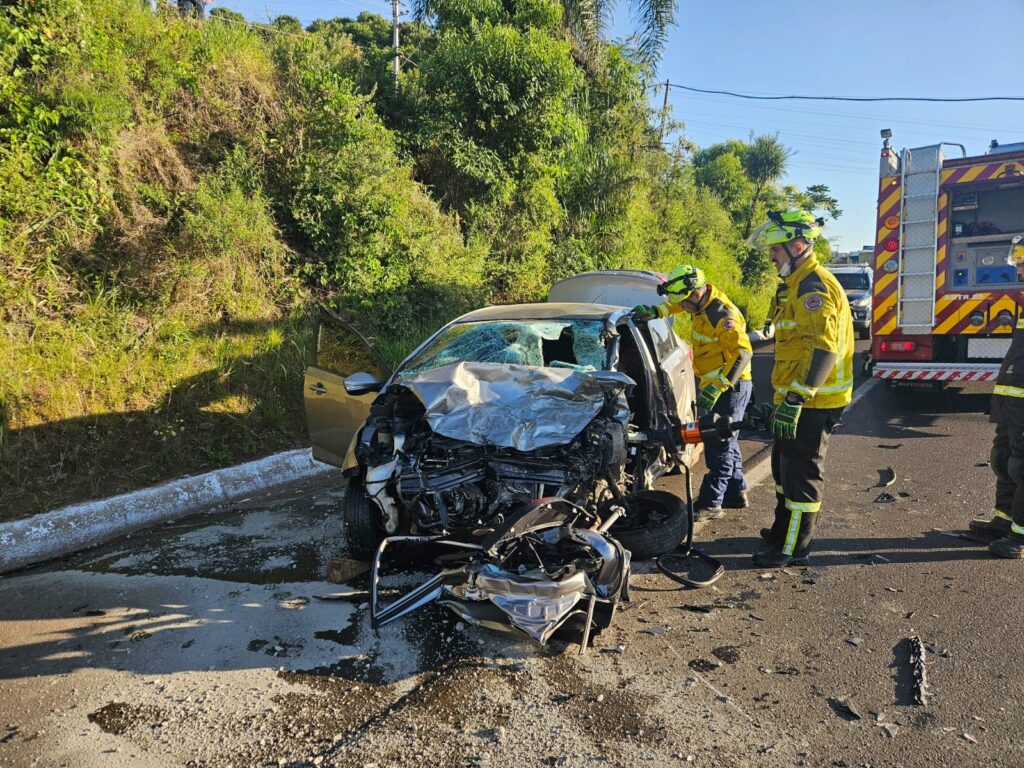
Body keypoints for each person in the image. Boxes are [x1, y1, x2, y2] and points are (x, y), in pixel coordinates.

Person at [747, 210, 854, 567]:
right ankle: (781, 531)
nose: (771, 257)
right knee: (782, 469)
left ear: (797, 246)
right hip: (797, 399)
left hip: (813, 402)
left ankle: (792, 548)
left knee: (801, 476)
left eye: (775, 250)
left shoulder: (814, 287)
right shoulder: (796, 284)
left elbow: (825, 349)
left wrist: (795, 399)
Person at [632, 265, 754, 519]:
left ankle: (711, 503)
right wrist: (655, 311)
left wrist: (720, 386)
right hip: (715, 385)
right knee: (727, 437)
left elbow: (743, 353)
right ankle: (736, 490)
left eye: (684, 303)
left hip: (732, 386)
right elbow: (675, 305)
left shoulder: (721, 315)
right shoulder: (696, 302)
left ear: (695, 295)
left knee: (717, 441)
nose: (682, 308)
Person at [972, 250, 1024, 558]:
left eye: (1021, 264)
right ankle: (1004, 520)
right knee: (1003, 457)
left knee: (1022, 465)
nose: (1018, 270)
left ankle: (1019, 535)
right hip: (1012, 398)